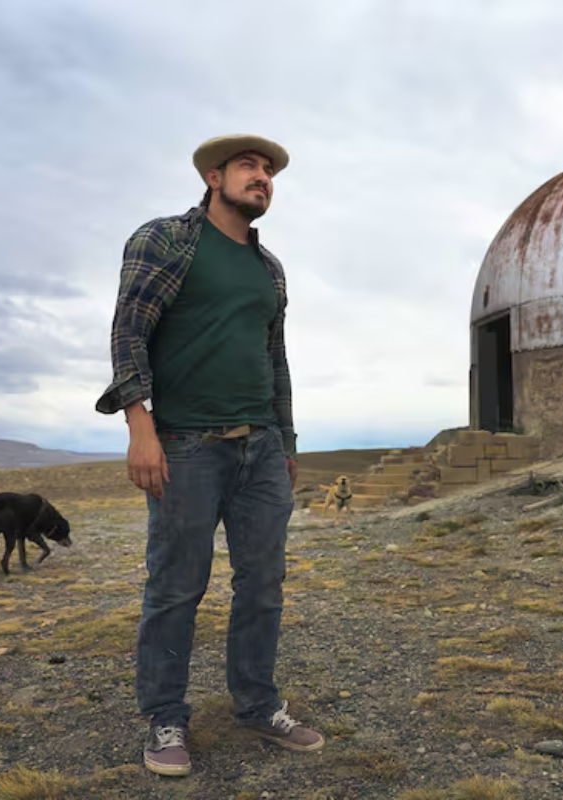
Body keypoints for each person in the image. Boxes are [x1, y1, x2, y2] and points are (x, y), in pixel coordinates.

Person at [95, 133, 323, 777]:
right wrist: (139, 425)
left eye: (269, 170)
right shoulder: (166, 240)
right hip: (185, 445)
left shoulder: (268, 268)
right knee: (175, 588)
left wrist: (286, 441)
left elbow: (275, 357)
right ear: (213, 176)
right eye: (249, 166)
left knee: (264, 585)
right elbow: (129, 330)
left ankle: (258, 704)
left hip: (261, 446)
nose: (263, 177)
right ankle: (166, 717)